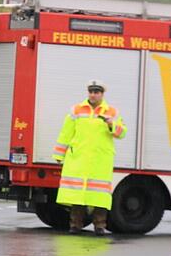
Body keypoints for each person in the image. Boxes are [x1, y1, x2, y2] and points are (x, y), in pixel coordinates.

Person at [52, 79, 126, 235]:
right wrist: (59, 154)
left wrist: (112, 124)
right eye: (91, 92)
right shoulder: (76, 110)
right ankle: (75, 225)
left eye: (96, 92)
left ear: (102, 94)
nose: (93, 95)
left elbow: (122, 133)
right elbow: (66, 133)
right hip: (78, 158)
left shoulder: (112, 112)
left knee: (99, 196)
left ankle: (99, 226)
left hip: (100, 160)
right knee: (78, 195)